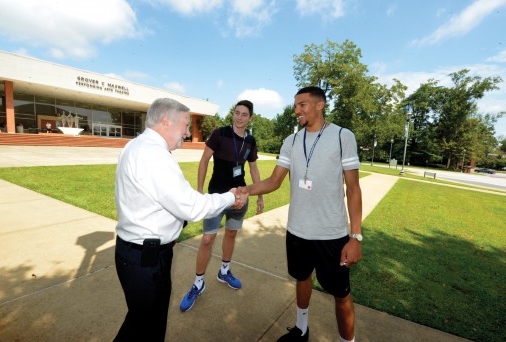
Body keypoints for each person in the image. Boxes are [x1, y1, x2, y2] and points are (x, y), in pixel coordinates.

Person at [114, 98, 247, 341]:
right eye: (185, 125)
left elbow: (151, 202)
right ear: (166, 122)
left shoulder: (135, 146)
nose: (188, 132)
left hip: (137, 253)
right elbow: (192, 207)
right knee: (144, 329)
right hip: (146, 260)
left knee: (141, 324)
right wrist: (229, 197)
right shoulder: (154, 156)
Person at [240, 86, 362, 342]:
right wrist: (245, 190)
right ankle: (301, 328)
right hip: (297, 231)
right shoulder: (291, 141)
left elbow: (353, 189)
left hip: (332, 235)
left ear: (320, 105)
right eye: (295, 105)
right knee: (302, 279)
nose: (296, 110)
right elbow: (274, 181)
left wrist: (355, 237)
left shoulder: (342, 136)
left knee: (341, 294)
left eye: (302, 105)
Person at [179, 100, 264, 312]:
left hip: (239, 198)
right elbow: (204, 160)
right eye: (237, 113)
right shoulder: (219, 133)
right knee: (207, 239)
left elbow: (253, 169)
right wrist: (199, 190)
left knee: (231, 235)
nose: (239, 117)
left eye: (244, 114)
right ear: (232, 114)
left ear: (250, 118)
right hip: (216, 196)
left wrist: (259, 195)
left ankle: (224, 271)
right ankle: (198, 283)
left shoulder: (251, 142)